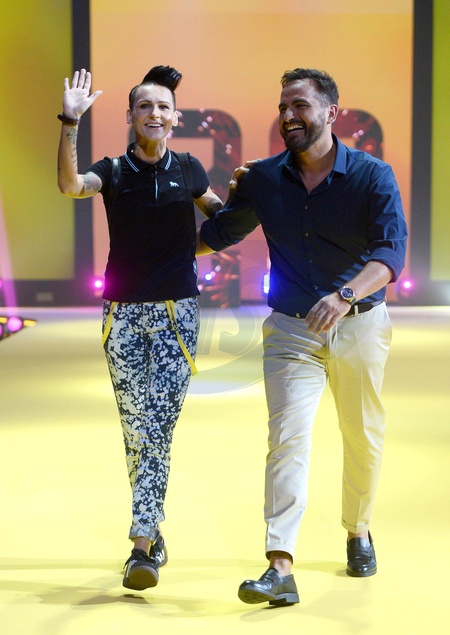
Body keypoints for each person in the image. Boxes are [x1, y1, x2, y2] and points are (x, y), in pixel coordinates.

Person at [197, 68, 408, 606]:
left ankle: (358, 530)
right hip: (292, 330)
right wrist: (201, 193)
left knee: (362, 435)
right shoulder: (264, 179)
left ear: (331, 112)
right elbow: (219, 233)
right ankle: (280, 565)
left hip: (360, 325)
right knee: (287, 439)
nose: (288, 116)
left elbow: (391, 254)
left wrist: (344, 296)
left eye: (300, 106)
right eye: (283, 107)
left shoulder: (372, 175)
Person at [57, 66, 234, 592]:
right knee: (136, 431)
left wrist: (250, 197)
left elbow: (223, 222)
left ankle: (140, 545)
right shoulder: (113, 170)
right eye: (144, 106)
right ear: (131, 116)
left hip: (177, 314)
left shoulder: (190, 169)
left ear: (175, 118)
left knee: (157, 426)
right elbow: (70, 185)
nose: (154, 114)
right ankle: (153, 532)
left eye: (163, 107)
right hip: (122, 316)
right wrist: (70, 121)